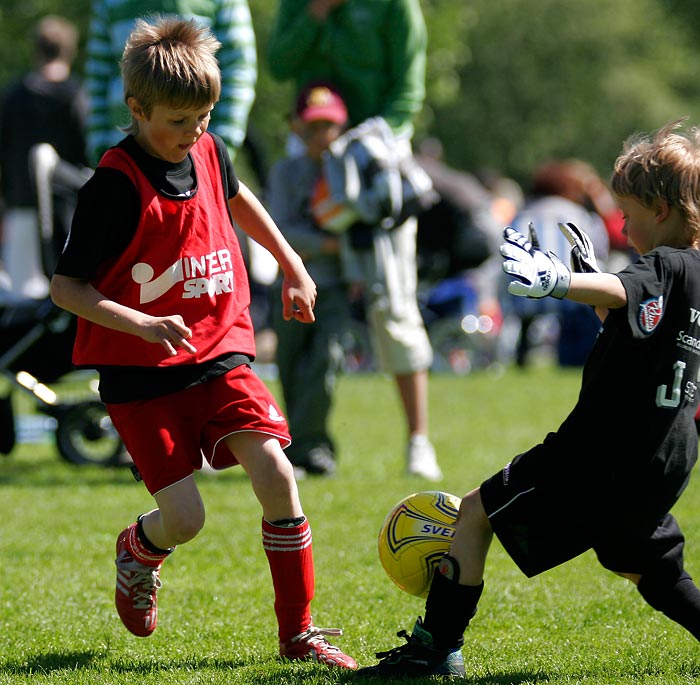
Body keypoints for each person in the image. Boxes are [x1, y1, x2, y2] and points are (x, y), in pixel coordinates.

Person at [49, 16, 357, 669]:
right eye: (179, 120)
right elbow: (66, 289)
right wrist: (143, 324)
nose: (194, 133)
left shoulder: (210, 151)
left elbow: (239, 199)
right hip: (142, 374)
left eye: (205, 117)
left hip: (221, 349)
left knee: (277, 472)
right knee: (186, 518)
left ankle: (298, 635)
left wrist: (292, 263)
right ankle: (139, 549)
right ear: (136, 109)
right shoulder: (112, 185)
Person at [357, 119, 700, 678]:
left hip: (600, 452)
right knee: (648, 567)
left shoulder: (660, 264)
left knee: (474, 513)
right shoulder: (695, 274)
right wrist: (595, 284)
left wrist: (559, 279)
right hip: (666, 455)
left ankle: (434, 650)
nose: (622, 224)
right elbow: (632, 317)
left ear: (659, 211)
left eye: (630, 215)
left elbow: (627, 288)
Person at [267, 0, 443, 481]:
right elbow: (279, 63)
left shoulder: (396, 7)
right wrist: (315, 15)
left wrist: (367, 151)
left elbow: (407, 91)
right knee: (302, 311)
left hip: (373, 156)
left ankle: (417, 443)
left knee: (392, 304)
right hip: (309, 145)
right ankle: (305, 442)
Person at [266, 82, 351, 477]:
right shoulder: (286, 172)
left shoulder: (349, 172)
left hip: (334, 286)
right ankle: (292, 445)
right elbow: (278, 229)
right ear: (298, 129)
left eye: (329, 127)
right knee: (291, 364)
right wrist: (327, 245)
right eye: (314, 128)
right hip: (290, 285)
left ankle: (313, 445)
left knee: (327, 360)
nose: (322, 136)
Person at [84, 0, 257, 166]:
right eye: (178, 120)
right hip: (122, 147)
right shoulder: (108, 2)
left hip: (201, 156)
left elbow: (238, 71)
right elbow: (98, 72)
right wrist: (99, 145)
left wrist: (222, 147)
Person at [0, 15, 88, 300]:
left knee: (20, 299)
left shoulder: (14, 96)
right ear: (69, 50)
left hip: (20, 206)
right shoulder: (77, 97)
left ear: (36, 49)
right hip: (69, 213)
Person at [501, 159, 611, 368]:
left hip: (527, 294)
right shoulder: (579, 215)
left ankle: (521, 359)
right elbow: (599, 253)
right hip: (573, 294)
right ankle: (574, 359)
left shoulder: (521, 215)